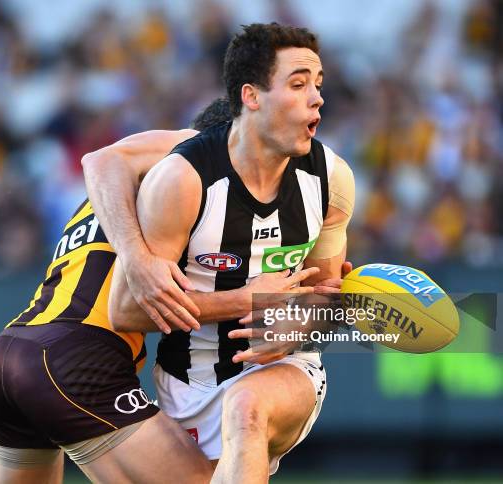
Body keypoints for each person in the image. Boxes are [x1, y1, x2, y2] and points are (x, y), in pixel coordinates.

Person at [0, 98, 318, 484]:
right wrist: (252, 299)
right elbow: (135, 306)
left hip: (10, 352)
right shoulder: (189, 176)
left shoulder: (112, 197)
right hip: (81, 360)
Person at [105, 23, 355, 483]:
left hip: (288, 371)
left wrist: (306, 319)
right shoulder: (182, 180)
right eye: (298, 85)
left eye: (318, 85)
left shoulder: (332, 179)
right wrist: (245, 300)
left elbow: (325, 295)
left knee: (247, 408)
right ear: (251, 96)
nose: (317, 98)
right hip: (186, 386)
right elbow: (125, 310)